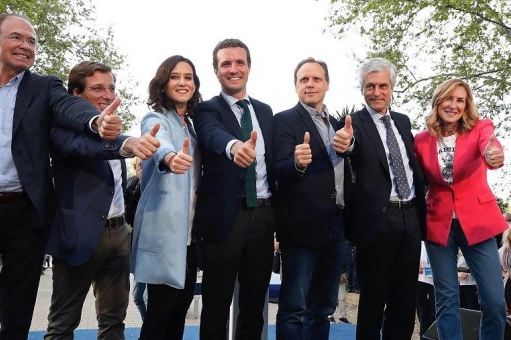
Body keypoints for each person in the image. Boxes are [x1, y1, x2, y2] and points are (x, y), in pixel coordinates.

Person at [0, 14, 156, 339]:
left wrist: (98, 124)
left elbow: (71, 110)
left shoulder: (44, 88)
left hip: (25, 215)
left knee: (17, 310)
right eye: (17, 38)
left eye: (32, 41)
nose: (26, 46)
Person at [45, 61, 158, 339]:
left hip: (118, 236)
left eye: (111, 88)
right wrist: (126, 143)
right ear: (75, 94)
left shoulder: (113, 133)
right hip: (78, 238)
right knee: (62, 326)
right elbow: (88, 147)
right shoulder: (60, 131)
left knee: (113, 323)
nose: (107, 95)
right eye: (97, 88)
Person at [332, 57, 426, 339]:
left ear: (392, 88)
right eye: (370, 86)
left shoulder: (402, 121)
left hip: (411, 218)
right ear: (362, 89)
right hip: (377, 222)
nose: (376, 92)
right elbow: (350, 146)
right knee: (373, 302)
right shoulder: (354, 124)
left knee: (404, 301)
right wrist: (346, 144)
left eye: (382, 86)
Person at [193, 38, 275, 339]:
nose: (233, 68)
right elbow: (212, 135)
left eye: (239, 62)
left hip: (264, 218)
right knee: (216, 307)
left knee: (254, 309)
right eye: (225, 63)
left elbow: (275, 164)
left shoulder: (265, 112)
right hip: (225, 220)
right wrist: (233, 145)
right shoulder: (205, 110)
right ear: (216, 71)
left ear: (249, 68)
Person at [413, 78, 507, 340]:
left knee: (494, 300)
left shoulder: (480, 128)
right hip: (439, 224)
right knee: (446, 296)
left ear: (466, 106)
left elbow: (489, 143)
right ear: (438, 101)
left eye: (460, 100)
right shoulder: (420, 141)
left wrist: (493, 153)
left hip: (477, 223)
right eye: (448, 98)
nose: (453, 105)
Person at [272, 57, 349, 339]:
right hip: (301, 226)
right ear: (296, 86)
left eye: (316, 79)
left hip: (336, 225)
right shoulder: (283, 120)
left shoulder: (340, 125)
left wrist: (350, 146)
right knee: (294, 307)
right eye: (304, 79)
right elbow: (277, 170)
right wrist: (297, 163)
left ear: (327, 84)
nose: (310, 84)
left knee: (324, 307)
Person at [131, 55, 202, 339]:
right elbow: (158, 143)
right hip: (164, 232)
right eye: (175, 76)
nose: (182, 82)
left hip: (190, 237)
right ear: (163, 82)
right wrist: (170, 158)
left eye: (188, 77)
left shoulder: (192, 125)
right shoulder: (155, 118)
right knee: (159, 313)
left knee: (179, 312)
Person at [124, 157, 147, 320]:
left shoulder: (157, 182)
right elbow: (128, 213)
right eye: (139, 163)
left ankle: (150, 330)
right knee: (137, 296)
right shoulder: (131, 183)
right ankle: (149, 325)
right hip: (138, 246)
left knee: (150, 297)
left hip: (154, 247)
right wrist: (139, 181)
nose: (141, 165)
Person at [416, 242, 435, 339]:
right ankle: (423, 336)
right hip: (420, 277)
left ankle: (434, 335)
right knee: (422, 311)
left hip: (435, 278)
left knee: (434, 310)